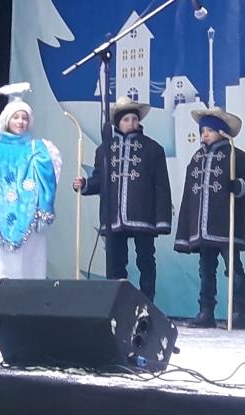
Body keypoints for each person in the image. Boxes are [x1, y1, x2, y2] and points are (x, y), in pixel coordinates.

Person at [73, 96, 171, 301]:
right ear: (117, 123)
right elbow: (99, 180)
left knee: (145, 260)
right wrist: (85, 184)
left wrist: (162, 220)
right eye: (126, 119)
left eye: (134, 119)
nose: (131, 123)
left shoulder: (153, 149)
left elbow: (161, 187)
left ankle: (147, 301)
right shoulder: (104, 150)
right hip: (113, 216)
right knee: (115, 262)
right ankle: (118, 302)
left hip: (143, 214)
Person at [0, 85, 60, 308]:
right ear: (7, 120)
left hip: (30, 218)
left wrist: (44, 210)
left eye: (24, 118)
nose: (21, 122)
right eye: (16, 117)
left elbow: (47, 181)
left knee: (32, 266)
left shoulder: (38, 149)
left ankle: (31, 311)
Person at [174, 107, 245, 329]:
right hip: (203, 227)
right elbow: (189, 195)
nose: (205, 134)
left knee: (233, 269)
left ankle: (239, 312)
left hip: (226, 225)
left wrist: (238, 186)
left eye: (210, 130)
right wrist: (187, 226)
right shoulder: (197, 159)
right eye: (203, 130)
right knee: (205, 270)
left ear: (222, 132)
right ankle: (206, 312)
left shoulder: (237, 157)